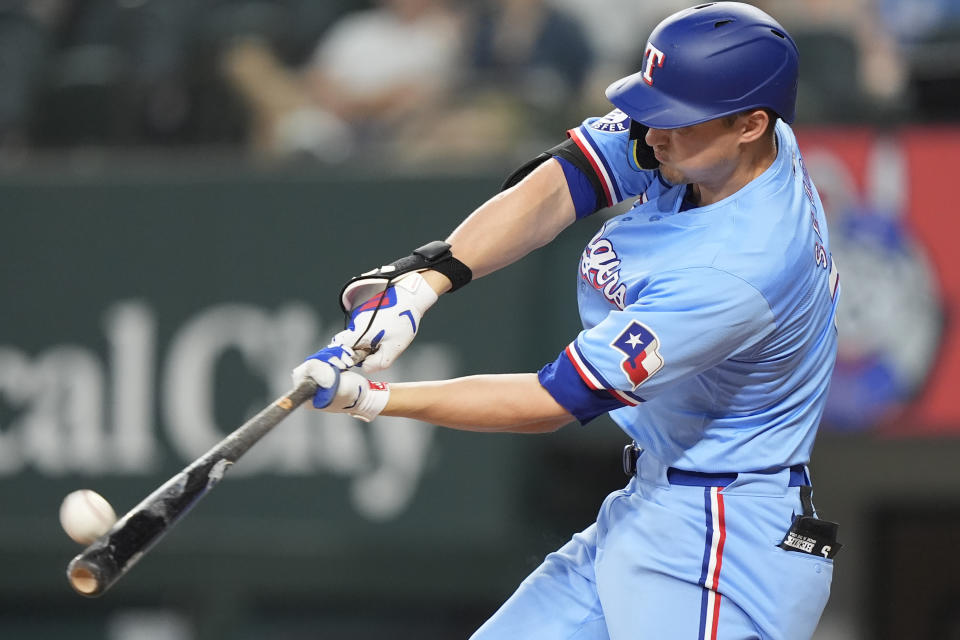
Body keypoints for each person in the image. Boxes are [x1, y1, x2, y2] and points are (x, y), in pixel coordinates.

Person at [292, 3, 842, 638]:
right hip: (656, 501)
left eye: (677, 121)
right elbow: (566, 180)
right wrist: (424, 281)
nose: (654, 133)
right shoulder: (730, 140)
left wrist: (373, 399)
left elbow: (550, 400)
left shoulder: (741, 269)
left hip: (723, 541)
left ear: (751, 124)